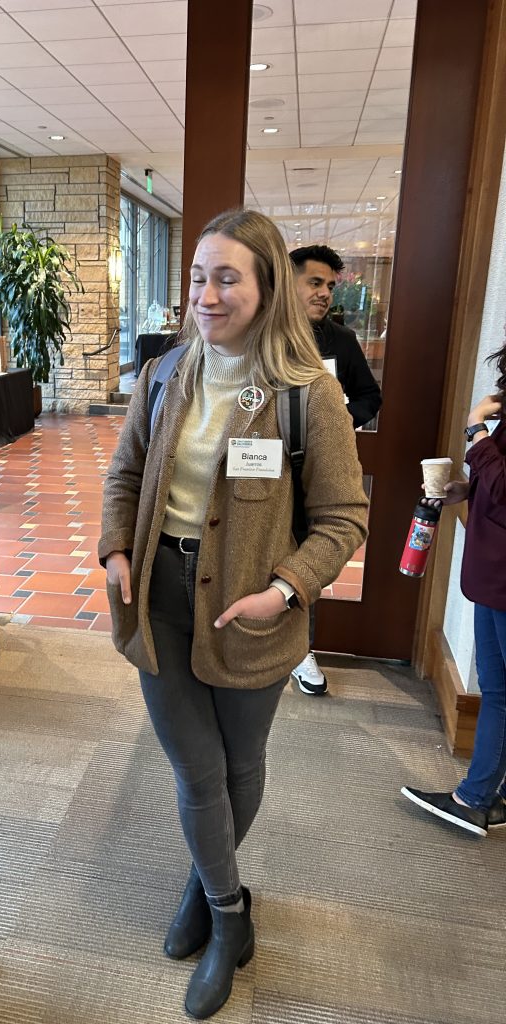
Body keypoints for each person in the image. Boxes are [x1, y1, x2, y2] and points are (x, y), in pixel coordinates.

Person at [99, 209, 368, 1020]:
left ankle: (202, 883)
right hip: (160, 599)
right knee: (196, 769)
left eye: (226, 278)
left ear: (266, 287)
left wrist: (284, 590)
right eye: (197, 277)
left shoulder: (307, 394)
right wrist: (116, 550)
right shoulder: (164, 373)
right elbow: (124, 474)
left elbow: (344, 518)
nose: (206, 295)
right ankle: (227, 913)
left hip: (252, 610)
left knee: (239, 764)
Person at [402, 341, 506, 838]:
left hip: (502, 577)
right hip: (493, 573)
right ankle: (483, 796)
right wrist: (469, 489)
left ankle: (475, 798)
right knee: (498, 690)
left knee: (501, 691)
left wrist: (475, 428)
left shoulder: (484, 421)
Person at [288, 244, 383, 695]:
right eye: (315, 282)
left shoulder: (341, 341)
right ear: (288, 283)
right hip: (260, 466)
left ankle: (301, 650)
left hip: (317, 472)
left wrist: (338, 420)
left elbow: (370, 396)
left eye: (329, 285)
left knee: (310, 555)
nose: (325, 293)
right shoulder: (259, 334)